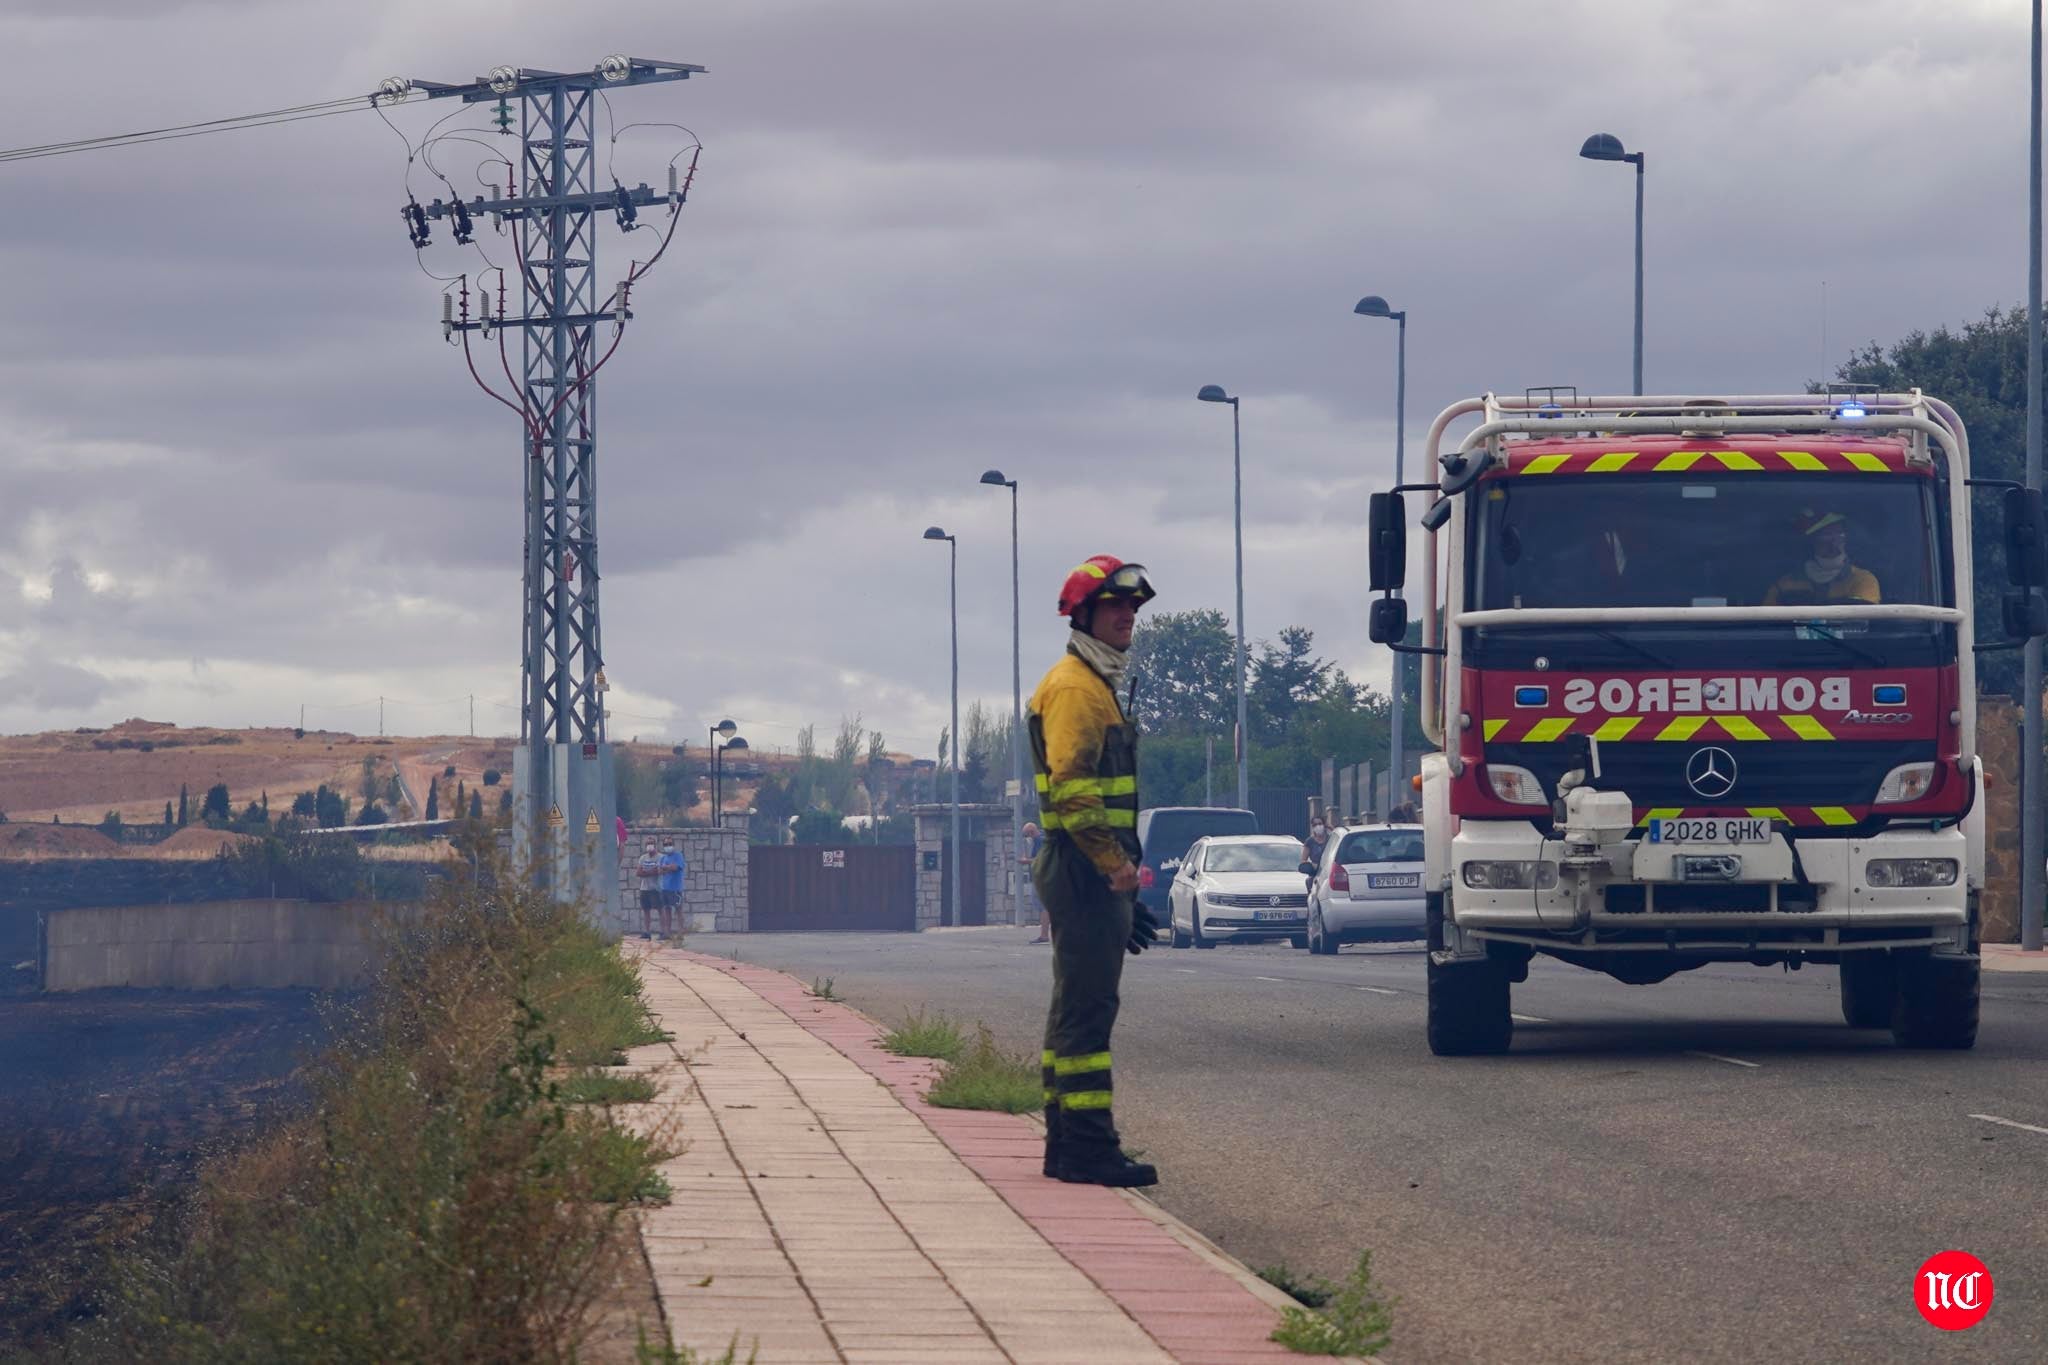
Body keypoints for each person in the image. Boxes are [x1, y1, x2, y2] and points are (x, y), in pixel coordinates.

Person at [1030, 554, 1160, 1188]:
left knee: (1075, 1009)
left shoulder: (1094, 682)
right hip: (1083, 868)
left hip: (1085, 869)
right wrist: (1115, 870)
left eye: (1133, 608)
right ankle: (1086, 1149)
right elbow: (1074, 789)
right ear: (1083, 615)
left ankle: (1065, 1147)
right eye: (1116, 607)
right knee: (1086, 1013)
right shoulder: (1078, 688)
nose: (1128, 616)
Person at [1764, 510, 1880, 605]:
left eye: (1840, 534)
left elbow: (1865, 624)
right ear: (1811, 542)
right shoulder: (1784, 585)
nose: (1834, 543)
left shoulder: (1862, 579)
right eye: (1826, 535)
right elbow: (1766, 624)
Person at [1021, 820, 1050, 943]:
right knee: (1041, 905)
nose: (1027, 838)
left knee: (1042, 906)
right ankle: (1045, 934)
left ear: (1031, 832)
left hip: (1041, 878)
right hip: (1041, 877)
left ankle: (1044, 935)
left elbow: (1040, 860)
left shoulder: (1039, 841)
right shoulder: (1041, 840)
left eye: (1026, 835)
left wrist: (1025, 861)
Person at [658, 837, 686, 940]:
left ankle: (680, 932)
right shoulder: (663, 858)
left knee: (678, 910)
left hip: (675, 889)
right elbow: (660, 871)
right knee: (667, 910)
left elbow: (676, 867)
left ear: (673, 845)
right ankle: (668, 932)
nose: (668, 846)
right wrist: (668, 868)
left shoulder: (678, 856)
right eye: (666, 844)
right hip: (665, 888)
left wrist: (666, 868)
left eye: (669, 844)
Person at [635, 838, 662, 938]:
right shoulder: (643, 858)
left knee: (660, 909)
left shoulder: (660, 857)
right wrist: (651, 871)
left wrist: (646, 872)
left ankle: (663, 931)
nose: (649, 845)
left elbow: (658, 871)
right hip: (644, 888)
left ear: (655, 845)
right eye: (647, 844)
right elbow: (638, 872)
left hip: (656, 888)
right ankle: (647, 932)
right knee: (646, 910)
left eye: (651, 843)